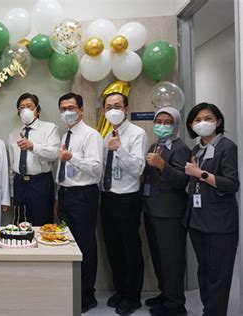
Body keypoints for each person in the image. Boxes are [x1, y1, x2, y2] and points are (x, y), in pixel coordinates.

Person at [183, 102, 239, 316]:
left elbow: (232, 184)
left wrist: (200, 174)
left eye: (208, 119)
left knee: (218, 276)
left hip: (220, 222)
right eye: (197, 120)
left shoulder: (227, 147)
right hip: (198, 220)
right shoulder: (197, 149)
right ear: (191, 124)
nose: (203, 123)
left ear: (218, 121)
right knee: (204, 271)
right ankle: (209, 310)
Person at [55, 93, 103, 313]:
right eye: (63, 109)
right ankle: (72, 290)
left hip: (84, 196)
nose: (67, 112)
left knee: (84, 245)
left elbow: (95, 169)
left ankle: (87, 295)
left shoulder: (91, 135)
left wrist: (71, 158)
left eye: (71, 108)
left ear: (82, 110)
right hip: (65, 195)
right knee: (68, 245)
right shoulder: (66, 135)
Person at [100, 92, 148, 315]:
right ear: (104, 111)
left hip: (128, 198)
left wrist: (119, 148)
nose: (113, 110)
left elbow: (138, 168)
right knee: (113, 248)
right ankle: (120, 290)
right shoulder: (106, 134)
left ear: (127, 108)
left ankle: (133, 295)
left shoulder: (137, 133)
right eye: (109, 106)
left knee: (130, 249)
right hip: (107, 197)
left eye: (117, 105)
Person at [141, 107, 191, 316]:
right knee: (159, 257)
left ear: (176, 124)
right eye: (158, 121)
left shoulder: (180, 148)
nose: (162, 125)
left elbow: (182, 180)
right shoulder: (156, 145)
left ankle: (175, 304)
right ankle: (166, 294)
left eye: (167, 122)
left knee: (172, 259)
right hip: (152, 209)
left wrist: (162, 166)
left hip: (170, 212)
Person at [8, 93, 60, 225]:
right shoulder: (14, 133)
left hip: (40, 183)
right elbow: (12, 164)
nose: (25, 110)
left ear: (37, 109)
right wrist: (12, 191)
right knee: (20, 224)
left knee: (42, 223)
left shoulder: (49, 128)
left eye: (29, 106)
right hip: (19, 183)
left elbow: (54, 154)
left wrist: (33, 147)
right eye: (21, 107)